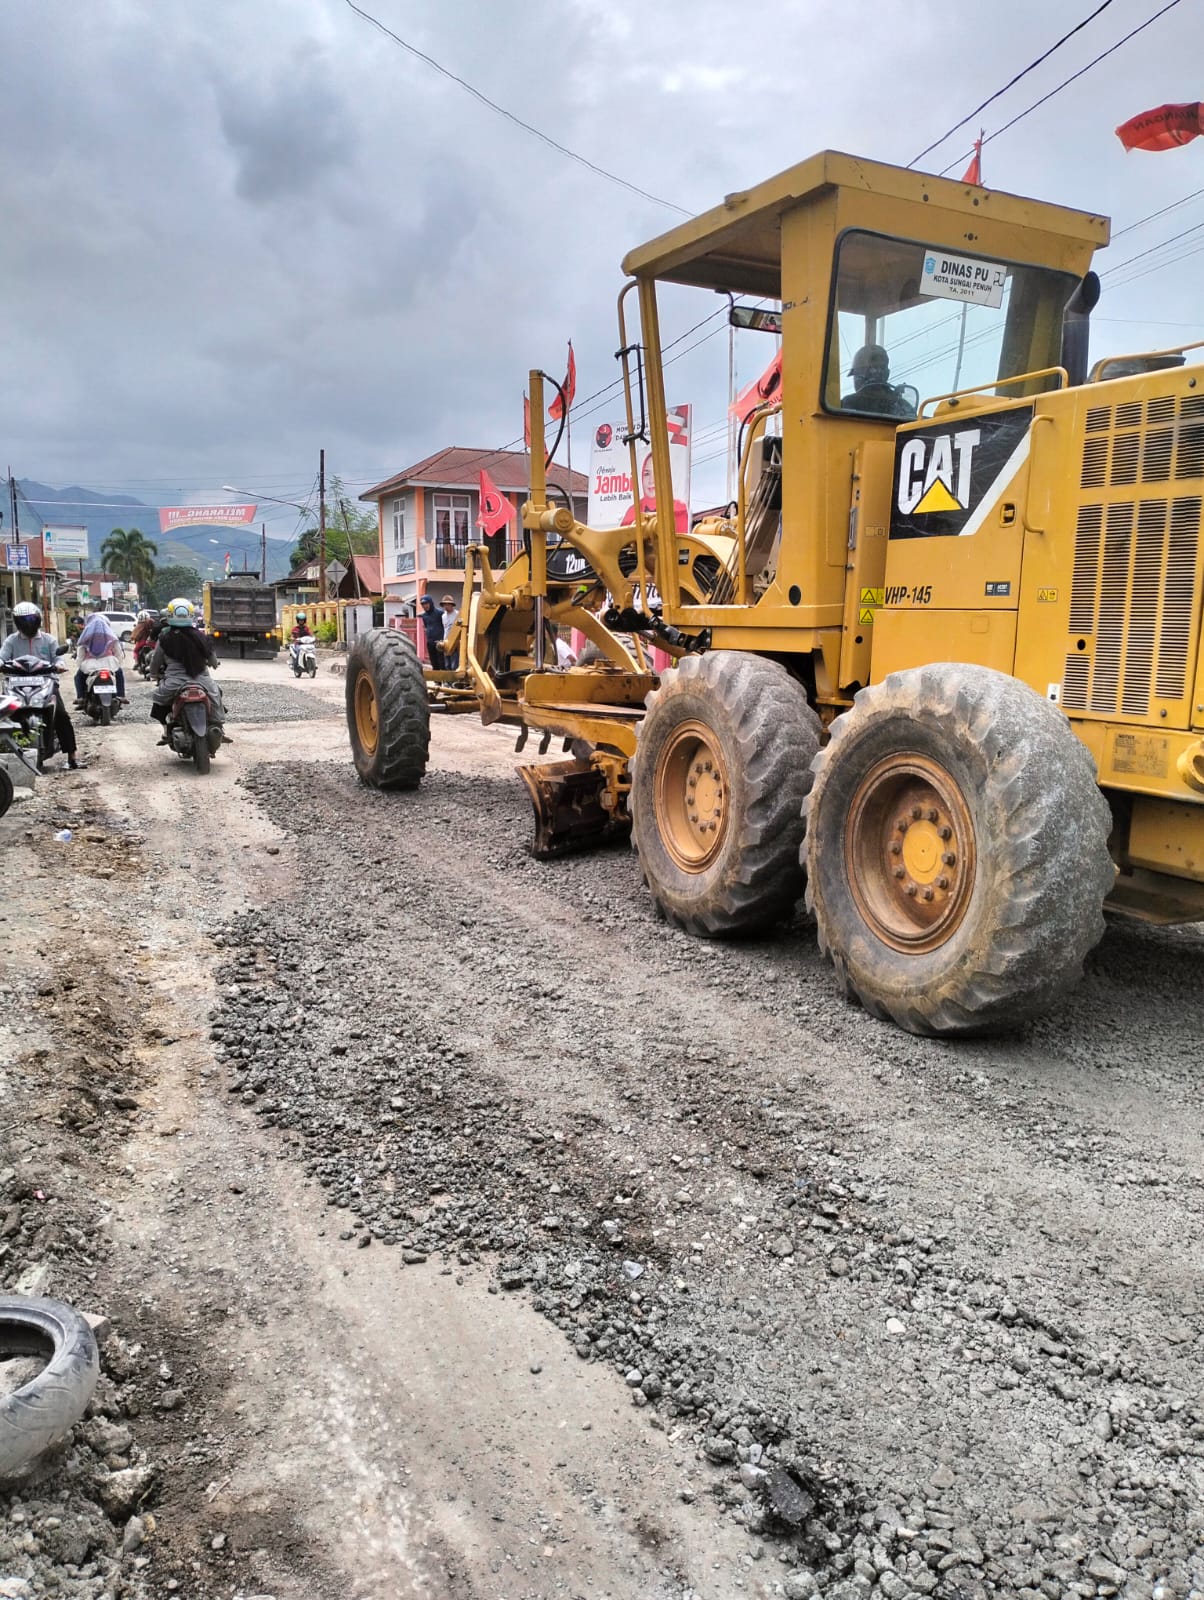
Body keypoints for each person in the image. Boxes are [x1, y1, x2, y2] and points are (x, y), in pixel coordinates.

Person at [0, 601, 80, 771]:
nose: (27, 623)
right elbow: (2, 657)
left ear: (37, 620)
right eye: (23, 620)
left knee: (61, 715)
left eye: (31, 619)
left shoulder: (48, 640)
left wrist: (60, 664)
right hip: (16, 683)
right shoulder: (11, 641)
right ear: (17, 621)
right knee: (5, 715)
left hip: (45, 681)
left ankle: (72, 756)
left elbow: (57, 658)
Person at [149, 598, 225, 742]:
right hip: (202, 680)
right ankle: (217, 727)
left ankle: (166, 729)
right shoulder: (201, 636)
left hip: (174, 682)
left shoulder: (164, 637)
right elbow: (212, 659)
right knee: (216, 695)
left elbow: (156, 661)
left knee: (158, 700)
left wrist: (153, 673)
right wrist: (213, 664)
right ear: (191, 615)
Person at [620, 451, 689, 534]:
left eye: (656, 473)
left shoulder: (678, 508)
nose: (651, 481)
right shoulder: (632, 511)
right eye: (646, 474)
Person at [841, 343, 916, 419]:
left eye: (855, 375)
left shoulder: (849, 403)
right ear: (887, 374)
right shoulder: (903, 406)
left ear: (860, 376)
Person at [73, 611, 127, 705]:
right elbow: (118, 652)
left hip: (90, 665)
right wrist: (118, 663)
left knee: (78, 676)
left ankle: (80, 697)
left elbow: (80, 655)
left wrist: (80, 666)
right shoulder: (111, 636)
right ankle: (121, 695)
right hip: (109, 664)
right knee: (119, 674)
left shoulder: (85, 636)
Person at [418, 595, 443, 664]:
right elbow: (426, 626)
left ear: (431, 603)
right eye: (423, 604)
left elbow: (444, 626)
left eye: (426, 603)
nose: (425, 606)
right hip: (430, 642)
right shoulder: (424, 616)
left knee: (442, 663)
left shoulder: (440, 613)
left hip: (440, 642)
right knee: (434, 663)